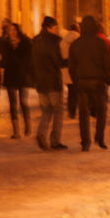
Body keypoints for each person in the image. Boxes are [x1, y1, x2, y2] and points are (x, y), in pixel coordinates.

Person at [68, 15, 110, 152]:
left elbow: (71, 66)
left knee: (83, 113)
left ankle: (85, 141)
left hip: (81, 80)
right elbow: (107, 62)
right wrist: (107, 77)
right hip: (98, 80)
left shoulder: (75, 44)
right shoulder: (100, 43)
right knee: (101, 110)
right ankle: (100, 137)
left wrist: (75, 80)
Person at [31, 16, 66, 151]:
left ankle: (41, 133)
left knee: (46, 110)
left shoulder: (36, 41)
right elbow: (58, 62)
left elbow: (31, 63)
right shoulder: (52, 43)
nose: (57, 31)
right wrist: (69, 61)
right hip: (52, 81)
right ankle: (55, 140)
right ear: (49, 28)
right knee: (58, 111)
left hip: (40, 82)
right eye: (56, 28)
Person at [1, 23, 33, 139]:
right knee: (13, 104)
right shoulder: (5, 44)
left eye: (14, 29)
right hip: (10, 76)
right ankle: (16, 131)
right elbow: (3, 61)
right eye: (10, 30)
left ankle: (28, 126)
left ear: (18, 30)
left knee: (23, 102)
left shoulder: (26, 43)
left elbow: (29, 59)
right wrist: (0, 60)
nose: (12, 32)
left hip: (23, 75)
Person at [60, 23, 80, 118]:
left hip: (65, 68)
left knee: (71, 91)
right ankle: (74, 110)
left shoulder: (63, 41)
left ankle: (71, 111)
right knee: (76, 91)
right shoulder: (78, 40)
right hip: (76, 68)